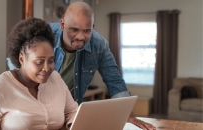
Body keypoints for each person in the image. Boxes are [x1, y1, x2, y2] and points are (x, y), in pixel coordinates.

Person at [50, 1, 156, 130]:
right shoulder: (44, 35)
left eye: (87, 31)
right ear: (63, 24)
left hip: (69, 114)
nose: (80, 36)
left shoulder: (99, 45)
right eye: (74, 30)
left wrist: (129, 116)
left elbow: (114, 81)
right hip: (39, 109)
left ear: (92, 27)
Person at [0, 17, 78, 130]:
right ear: (22, 59)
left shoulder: (55, 79)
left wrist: (75, 124)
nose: (47, 68)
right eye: (39, 62)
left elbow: (72, 112)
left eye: (51, 60)